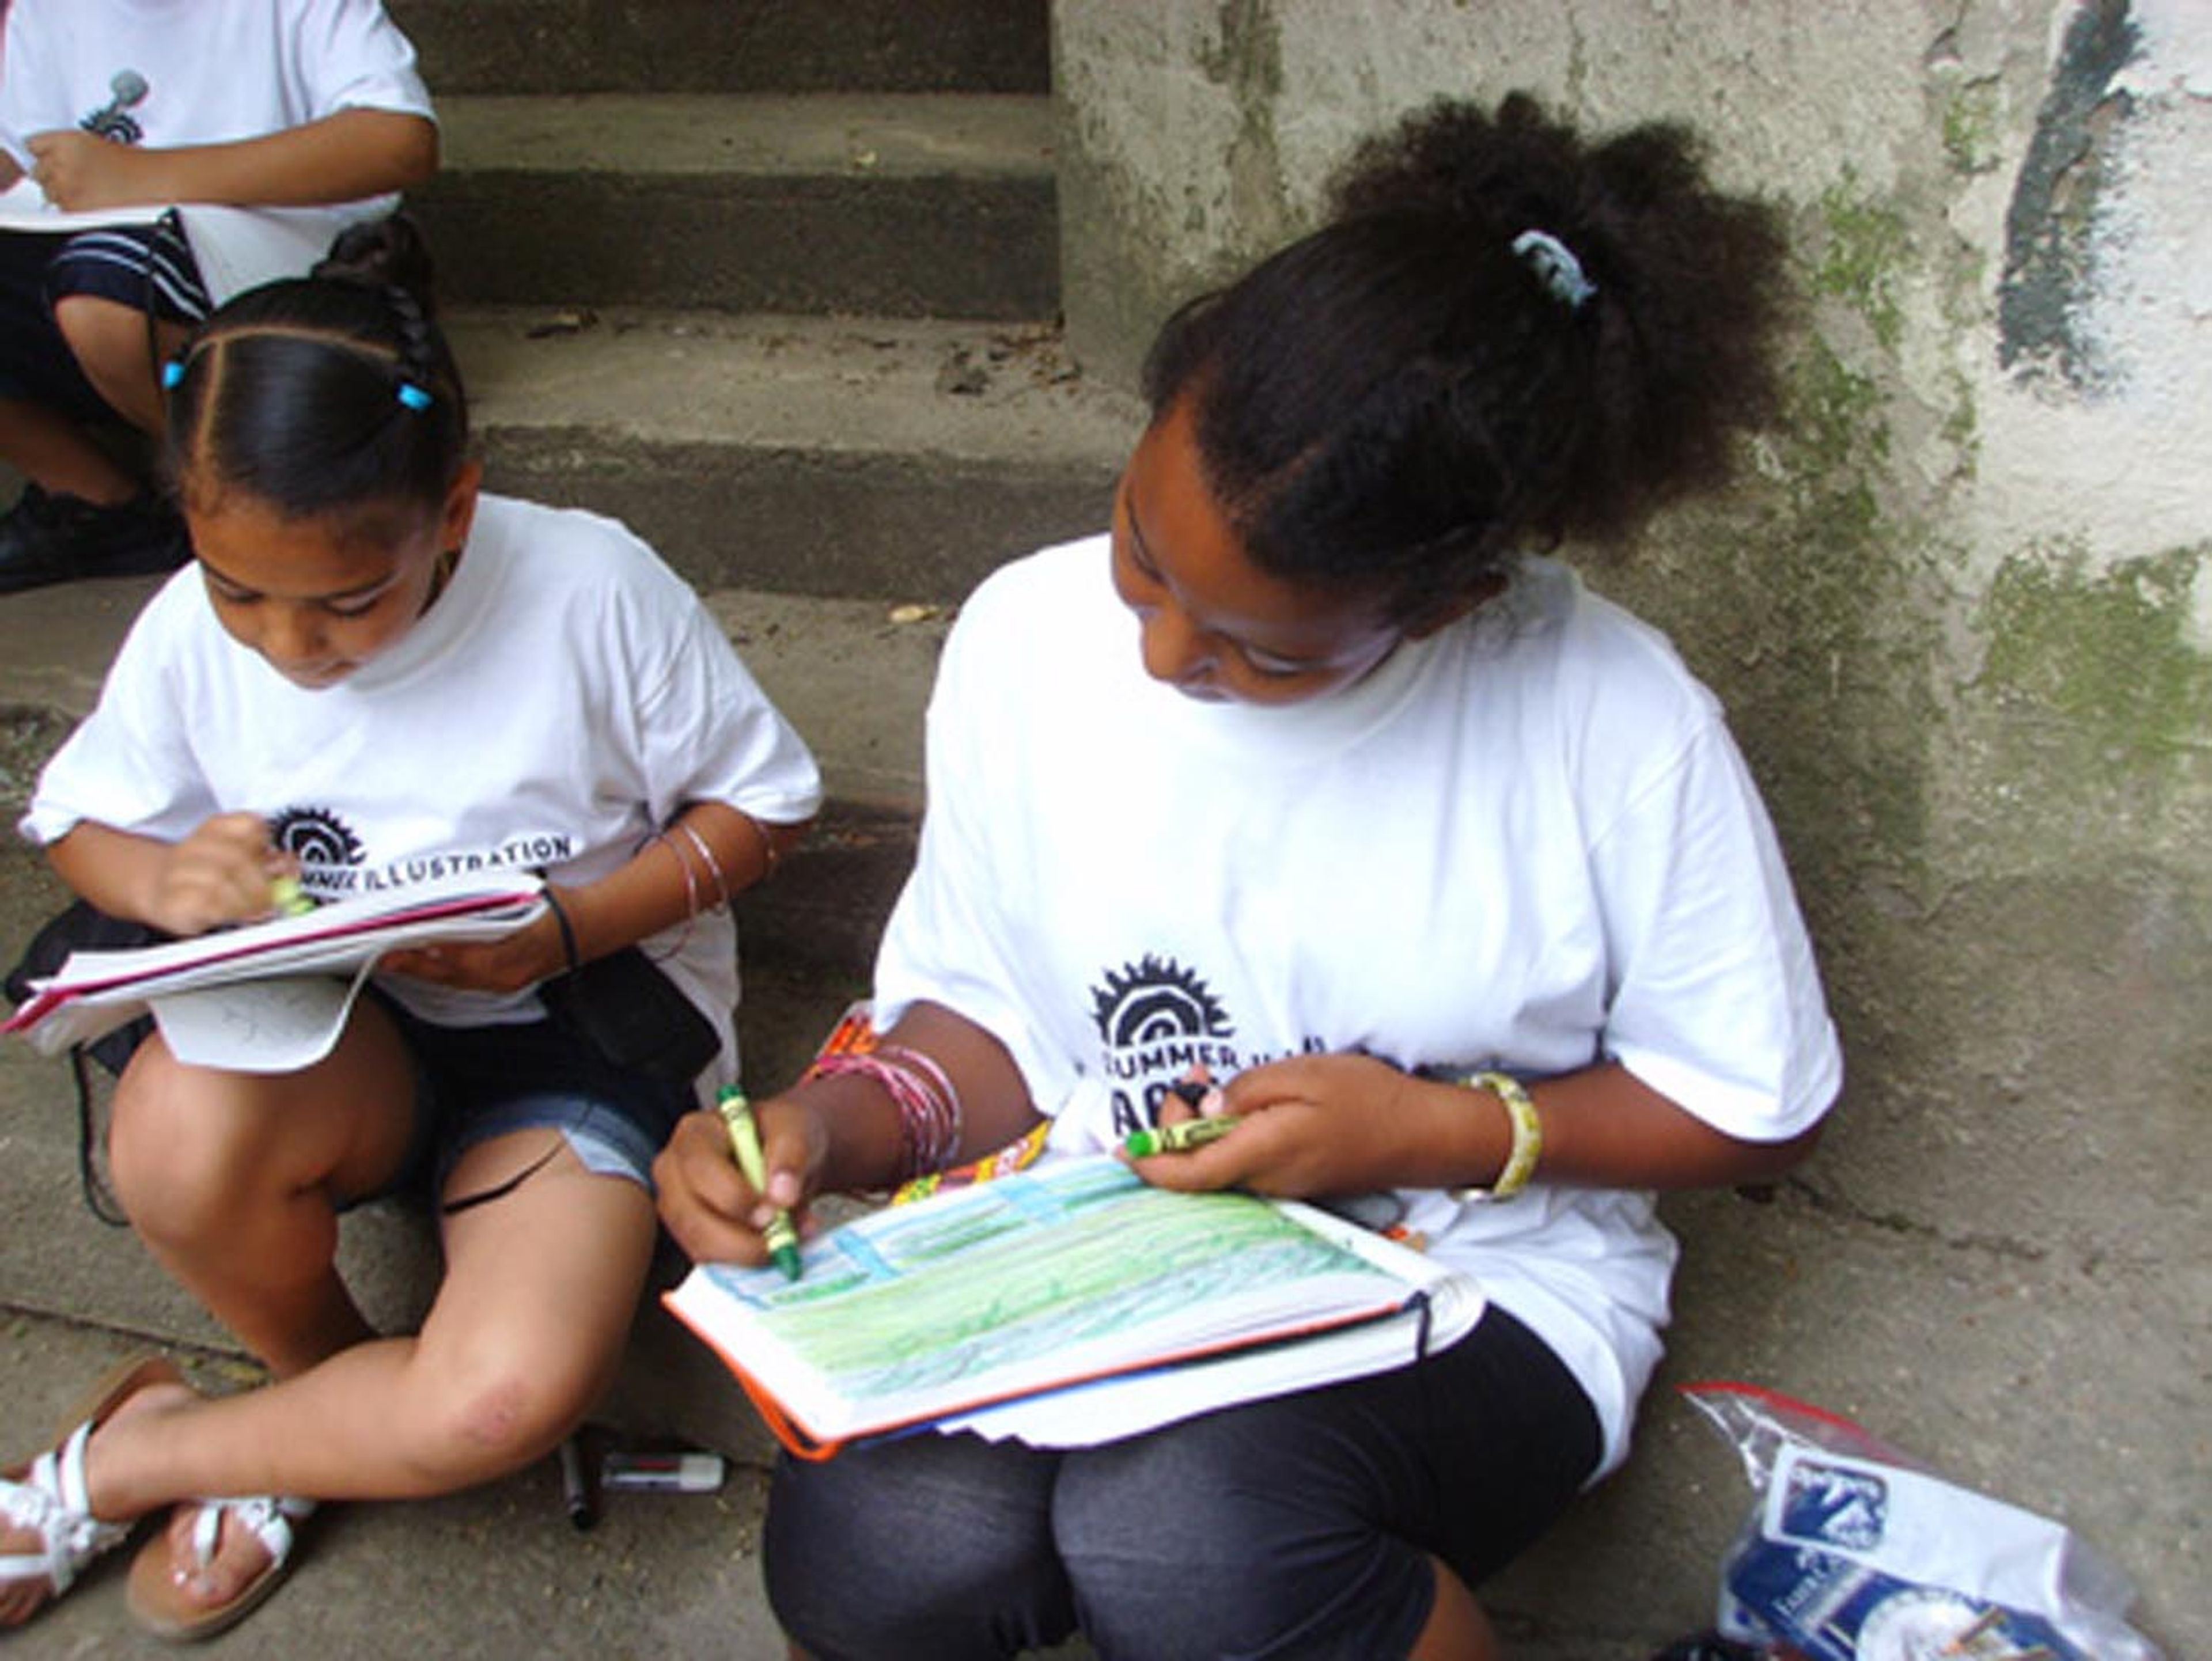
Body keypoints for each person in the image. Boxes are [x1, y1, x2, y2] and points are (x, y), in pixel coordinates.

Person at [655, 92, 1842, 1660]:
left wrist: (1433, 1123)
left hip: (1477, 1271)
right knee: (878, 1545)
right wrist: (822, 1130)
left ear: (1448, 602)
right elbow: (993, 1027)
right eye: (1143, 549)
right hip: (1099, 1234)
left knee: (1188, 1538)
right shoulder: (1027, 635)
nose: (1159, 650)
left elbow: (1760, 1099)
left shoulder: (1611, 721)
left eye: (1260, 651)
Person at [0, 214, 821, 1639]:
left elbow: (765, 808)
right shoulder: (207, 627)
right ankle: (315, 1426)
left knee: (501, 1394)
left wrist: (567, 928)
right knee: (174, 1141)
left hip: (578, 1030)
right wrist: (160, 882)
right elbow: (78, 816)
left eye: (347, 601)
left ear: (452, 511)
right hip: (343, 1034)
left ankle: (150, 1455)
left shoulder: (585, 586)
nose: (288, 644)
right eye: (236, 588)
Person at [0, 0, 438, 593]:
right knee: (93, 280)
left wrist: (145, 174)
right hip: (94, 258)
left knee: (103, 294)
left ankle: (237, 499)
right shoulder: (49, 10)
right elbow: (25, 162)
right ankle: (99, 502)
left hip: (273, 259)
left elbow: (399, 141)